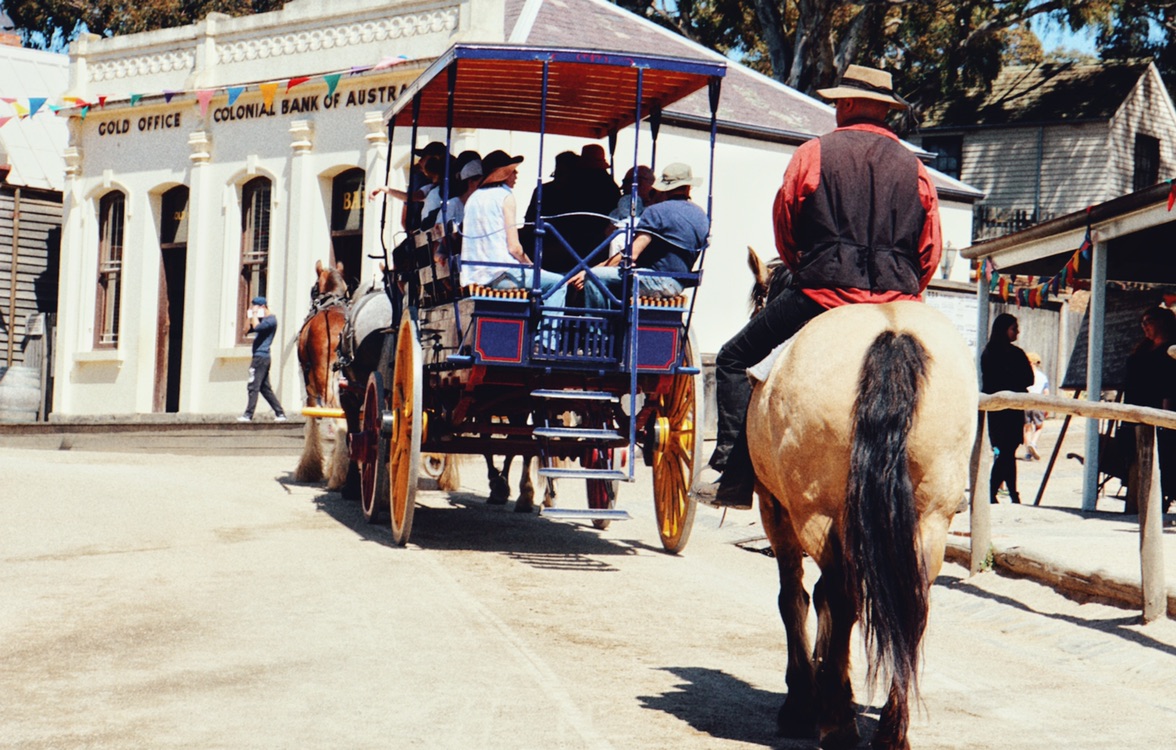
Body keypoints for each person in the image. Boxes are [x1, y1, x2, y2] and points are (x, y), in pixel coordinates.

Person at [691, 64, 942, 509]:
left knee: (733, 358)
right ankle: (943, 483)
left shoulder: (813, 154)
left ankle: (731, 474)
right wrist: (905, 291)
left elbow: (785, 225)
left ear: (845, 103)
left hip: (824, 293)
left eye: (837, 102)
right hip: (900, 299)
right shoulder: (917, 169)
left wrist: (803, 266)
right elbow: (931, 249)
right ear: (886, 111)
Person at [570, 161, 709, 309]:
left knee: (594, 277)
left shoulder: (656, 211)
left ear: (664, 189)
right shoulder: (701, 216)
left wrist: (593, 270)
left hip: (656, 281)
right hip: (680, 283)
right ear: (688, 187)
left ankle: (597, 330)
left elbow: (632, 254)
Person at [460, 149, 567, 309]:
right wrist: (531, 265)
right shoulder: (505, 196)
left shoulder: (473, 198)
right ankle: (547, 335)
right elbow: (514, 247)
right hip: (501, 273)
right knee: (558, 284)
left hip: (474, 275)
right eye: (512, 171)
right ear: (503, 174)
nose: (516, 175)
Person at [1123, 306, 1176, 512]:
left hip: (1160, 408)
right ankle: (1137, 501)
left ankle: (1161, 499)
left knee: (1163, 457)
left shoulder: (1171, 350)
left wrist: (1167, 414)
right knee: (1135, 458)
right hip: (1136, 408)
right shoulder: (1142, 349)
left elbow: (1170, 385)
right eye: (1142, 322)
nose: (1145, 327)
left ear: (1162, 323)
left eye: (1149, 321)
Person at [981, 313, 1033, 504]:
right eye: (1014, 328)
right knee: (1006, 452)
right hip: (1007, 410)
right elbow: (1028, 379)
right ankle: (991, 491)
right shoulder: (1014, 354)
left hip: (998, 411)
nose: (1017, 332)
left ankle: (1012, 493)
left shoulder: (988, 353)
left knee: (1007, 452)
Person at [238, 296, 287, 423]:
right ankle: (280, 413)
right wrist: (249, 315)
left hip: (261, 358)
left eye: (256, 307)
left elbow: (258, 328)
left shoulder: (270, 320)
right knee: (265, 388)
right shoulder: (260, 320)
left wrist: (254, 314)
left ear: (263, 307)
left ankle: (248, 415)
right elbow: (246, 330)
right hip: (260, 357)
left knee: (253, 385)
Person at [1023, 351, 1050, 460]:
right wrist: (1046, 407)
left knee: (1026, 428)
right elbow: (1046, 392)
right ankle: (1033, 443)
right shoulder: (1042, 377)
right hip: (1038, 403)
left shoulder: (1023, 375)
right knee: (1039, 427)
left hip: (1025, 403)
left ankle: (1028, 451)